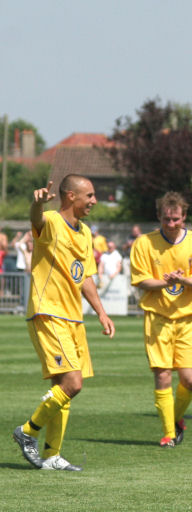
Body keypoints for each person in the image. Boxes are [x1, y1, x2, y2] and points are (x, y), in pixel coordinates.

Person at [13, 176, 115, 471]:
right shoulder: (51, 221)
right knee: (73, 383)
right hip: (49, 312)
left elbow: (85, 277)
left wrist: (102, 313)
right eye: (90, 195)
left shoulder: (85, 233)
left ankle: (51, 456)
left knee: (63, 387)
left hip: (73, 317)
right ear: (71, 196)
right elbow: (37, 219)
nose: (95, 201)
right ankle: (28, 431)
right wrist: (36, 203)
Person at [130, 191, 192, 447]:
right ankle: (168, 434)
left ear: (184, 217)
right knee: (163, 375)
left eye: (176, 219)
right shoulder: (144, 243)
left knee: (190, 380)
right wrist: (164, 283)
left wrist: (182, 280)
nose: (171, 224)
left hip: (189, 318)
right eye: (167, 219)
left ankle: (175, 418)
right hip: (158, 318)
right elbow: (141, 280)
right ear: (159, 216)